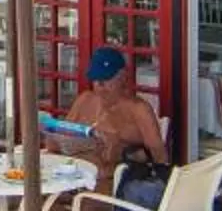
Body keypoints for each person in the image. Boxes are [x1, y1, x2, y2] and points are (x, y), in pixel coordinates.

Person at [65, 46, 165, 193]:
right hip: (76, 173)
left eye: (106, 78)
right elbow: (61, 135)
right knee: (43, 202)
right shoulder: (85, 100)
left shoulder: (138, 110)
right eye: (96, 79)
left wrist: (124, 152)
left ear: (123, 77)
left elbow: (159, 157)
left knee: (86, 206)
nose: (100, 85)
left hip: (114, 179)